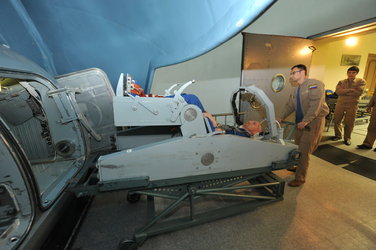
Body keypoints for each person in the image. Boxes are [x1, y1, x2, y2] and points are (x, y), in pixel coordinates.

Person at [277, 64, 329, 187]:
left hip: (313, 121)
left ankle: (300, 178)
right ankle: (298, 166)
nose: (291, 76)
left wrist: (306, 121)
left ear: (302, 72)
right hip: (301, 121)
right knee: (298, 146)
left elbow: (316, 105)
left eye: (293, 73)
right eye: (291, 73)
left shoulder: (314, 84)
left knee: (305, 150)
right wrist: (281, 117)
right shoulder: (296, 89)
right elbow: (289, 105)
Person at [332, 66, 366, 145]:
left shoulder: (361, 81)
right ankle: (338, 135)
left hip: (352, 104)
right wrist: (351, 90)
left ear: (356, 73)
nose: (351, 74)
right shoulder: (341, 82)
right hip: (340, 103)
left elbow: (359, 92)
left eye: (353, 72)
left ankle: (347, 138)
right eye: (349, 72)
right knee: (337, 120)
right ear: (347, 73)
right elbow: (338, 92)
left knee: (349, 122)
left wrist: (344, 91)